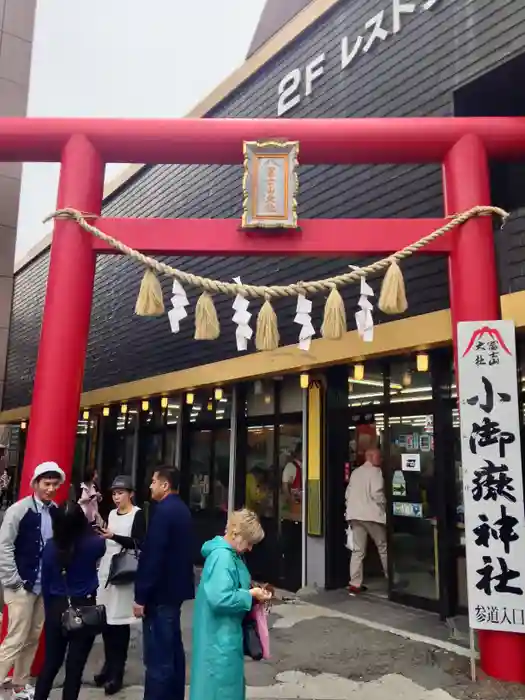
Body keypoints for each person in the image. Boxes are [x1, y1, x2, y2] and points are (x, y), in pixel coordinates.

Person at [190, 509, 272, 700]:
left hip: (219, 636)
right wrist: (250, 594)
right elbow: (220, 598)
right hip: (220, 639)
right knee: (221, 690)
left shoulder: (224, 554)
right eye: (249, 542)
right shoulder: (224, 557)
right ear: (237, 534)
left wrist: (250, 591)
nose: (250, 548)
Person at [0, 461, 66, 700]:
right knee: (15, 638)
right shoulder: (19, 510)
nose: (50, 488)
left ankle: (20, 684)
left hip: (43, 585)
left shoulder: (56, 510)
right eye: (46, 484)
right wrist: (13, 580)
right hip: (21, 585)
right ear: (35, 483)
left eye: (54, 484)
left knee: (32, 637)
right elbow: (4, 546)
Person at [133, 467, 194, 700]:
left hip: (159, 596)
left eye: (153, 481)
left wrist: (141, 596)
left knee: (158, 660)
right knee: (172, 654)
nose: (150, 486)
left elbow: (153, 558)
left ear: (165, 485)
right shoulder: (182, 510)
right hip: (174, 593)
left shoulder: (163, 512)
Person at [34, 501, 106, 700]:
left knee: (50, 664)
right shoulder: (94, 544)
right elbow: (100, 544)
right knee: (75, 668)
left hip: (57, 607)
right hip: (84, 608)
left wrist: (51, 612)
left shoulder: (49, 548)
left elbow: (46, 584)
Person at [95, 476, 146, 695]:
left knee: (120, 624)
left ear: (130, 494)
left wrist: (114, 536)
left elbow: (138, 542)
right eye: (114, 494)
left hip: (124, 573)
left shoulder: (138, 514)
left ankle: (117, 671)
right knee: (106, 621)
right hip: (107, 570)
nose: (116, 498)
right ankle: (108, 665)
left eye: (120, 493)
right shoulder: (111, 514)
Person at [345, 447, 388, 595]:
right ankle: (391, 580)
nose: (380, 459)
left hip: (355, 515)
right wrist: (384, 507)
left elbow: (348, 493)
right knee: (383, 547)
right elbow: (377, 493)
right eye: (378, 456)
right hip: (372, 516)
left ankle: (355, 584)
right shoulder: (376, 472)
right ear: (369, 457)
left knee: (358, 550)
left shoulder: (355, 472)